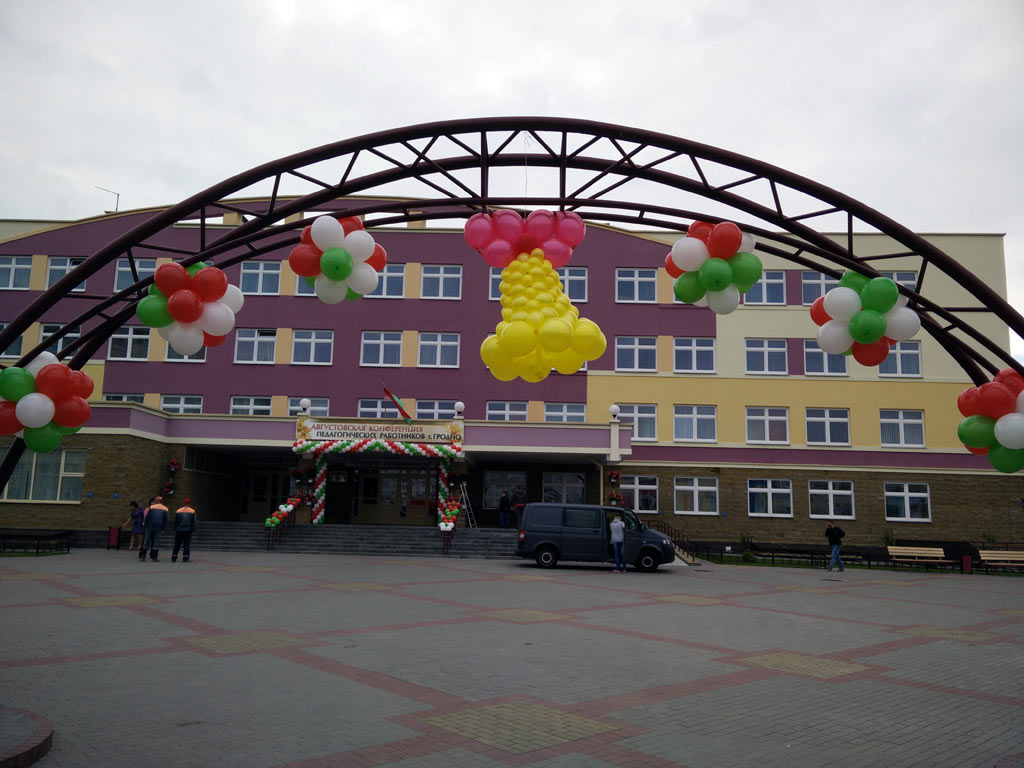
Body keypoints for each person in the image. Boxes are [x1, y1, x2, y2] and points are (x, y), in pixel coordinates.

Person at [139, 496, 169, 562]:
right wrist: (164, 526)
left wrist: (145, 524)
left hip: (149, 525)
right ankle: (154, 557)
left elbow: (147, 517)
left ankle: (143, 557)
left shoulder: (152, 507)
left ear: (157, 501)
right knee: (156, 541)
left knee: (146, 541)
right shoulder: (165, 509)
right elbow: (166, 519)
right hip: (158, 526)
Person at [172, 498, 197, 562]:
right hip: (188, 530)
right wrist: (193, 529)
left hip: (179, 530)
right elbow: (194, 521)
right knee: (186, 544)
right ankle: (185, 558)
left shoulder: (178, 510)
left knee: (177, 544)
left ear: (183, 503)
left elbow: (175, 521)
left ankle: (174, 557)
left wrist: (175, 528)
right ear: (189, 503)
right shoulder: (192, 511)